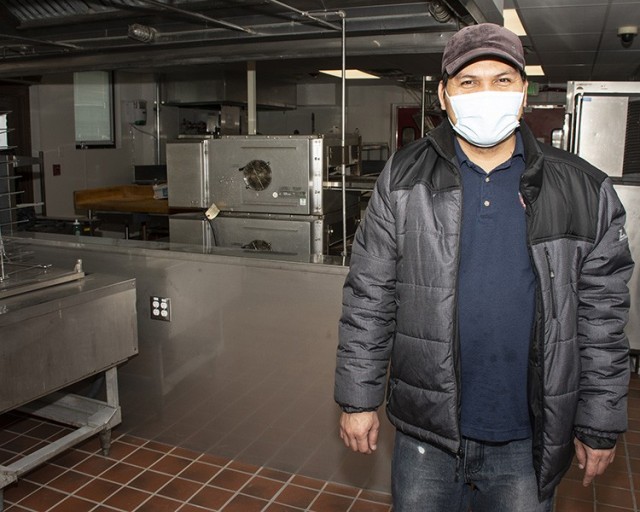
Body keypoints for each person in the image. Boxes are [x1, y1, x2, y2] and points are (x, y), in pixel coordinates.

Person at [334, 22, 634, 512]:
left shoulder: (584, 190)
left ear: (523, 94)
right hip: (425, 434)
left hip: (527, 434)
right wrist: (358, 399)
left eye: (502, 80)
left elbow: (602, 320)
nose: (485, 94)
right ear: (444, 95)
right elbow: (370, 296)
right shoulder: (403, 178)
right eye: (469, 82)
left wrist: (598, 421)